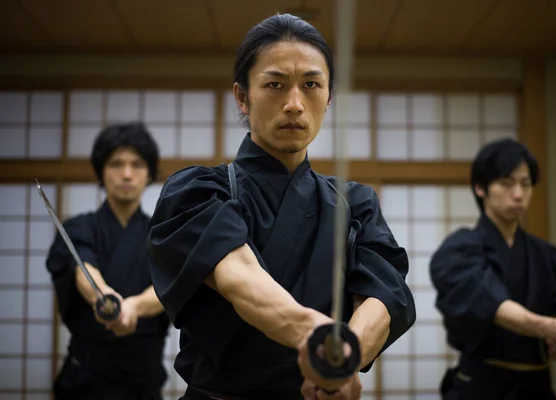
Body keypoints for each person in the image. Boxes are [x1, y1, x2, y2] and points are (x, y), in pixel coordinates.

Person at [146, 13, 416, 400]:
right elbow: (238, 277)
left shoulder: (355, 203)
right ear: (242, 96)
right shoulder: (198, 191)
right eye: (275, 84)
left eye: (311, 85)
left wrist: (343, 359)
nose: (294, 104)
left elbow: (384, 294)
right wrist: (322, 343)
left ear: (329, 96)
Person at [429, 138, 556, 400]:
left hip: (538, 388)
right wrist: (547, 327)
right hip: (480, 387)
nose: (519, 194)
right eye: (507, 183)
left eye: (525, 184)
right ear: (480, 188)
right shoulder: (458, 249)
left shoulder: (547, 255)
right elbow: (489, 303)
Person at [46, 122, 171, 400]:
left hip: (143, 379)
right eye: (116, 164)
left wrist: (135, 307)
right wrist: (104, 299)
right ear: (101, 170)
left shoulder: (163, 236)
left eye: (137, 164)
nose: (126, 174)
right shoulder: (79, 228)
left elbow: (171, 286)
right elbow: (82, 269)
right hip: (87, 378)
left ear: (149, 172)